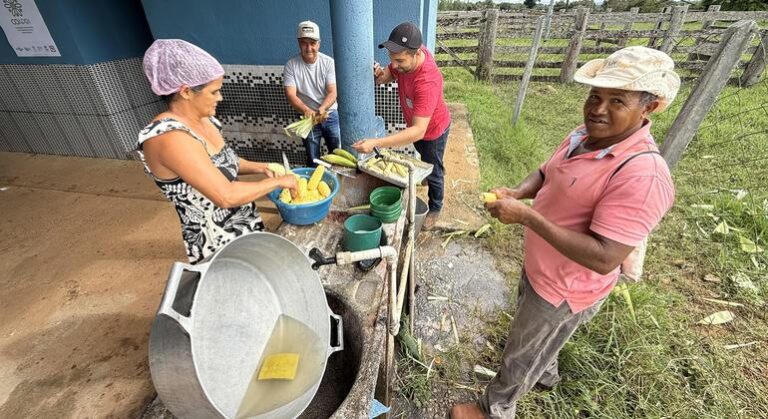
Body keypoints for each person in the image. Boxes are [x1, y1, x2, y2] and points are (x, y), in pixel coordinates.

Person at [449, 46, 680, 419]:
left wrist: (528, 218)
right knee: (538, 340)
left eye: (617, 100)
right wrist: (519, 193)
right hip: (543, 266)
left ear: (649, 107)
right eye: (595, 95)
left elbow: (605, 257)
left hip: (564, 288)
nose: (597, 109)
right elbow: (545, 172)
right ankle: (546, 371)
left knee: (522, 352)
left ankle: (495, 409)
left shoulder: (643, 176)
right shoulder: (583, 135)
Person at [137, 39, 297, 264]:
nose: (220, 98)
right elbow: (225, 195)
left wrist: (262, 167)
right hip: (215, 242)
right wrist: (279, 183)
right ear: (186, 92)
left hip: (242, 221)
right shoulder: (169, 138)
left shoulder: (205, 119)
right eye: (214, 92)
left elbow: (225, 162)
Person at [352, 22, 451, 230]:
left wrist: (376, 143)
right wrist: (379, 74)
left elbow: (418, 131)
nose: (394, 65)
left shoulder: (428, 81)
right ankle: (433, 172)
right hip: (418, 128)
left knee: (433, 169)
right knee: (424, 157)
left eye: (399, 60)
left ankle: (436, 207)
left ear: (416, 54)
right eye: (391, 58)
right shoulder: (406, 57)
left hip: (433, 130)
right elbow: (386, 76)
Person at [284, 20, 340, 167]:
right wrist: (307, 110)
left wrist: (322, 109)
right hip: (307, 117)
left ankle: (336, 182)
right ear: (299, 43)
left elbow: (333, 92)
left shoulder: (328, 63)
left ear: (319, 44)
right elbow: (290, 94)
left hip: (330, 114)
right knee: (312, 158)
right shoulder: (291, 65)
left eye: (313, 43)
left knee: (338, 156)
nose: (309, 48)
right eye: (304, 43)